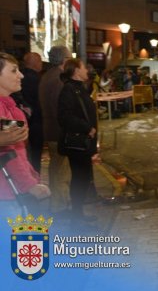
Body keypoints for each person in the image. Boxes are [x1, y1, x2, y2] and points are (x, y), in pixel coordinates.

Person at [0, 52, 50, 217]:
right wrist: (29, 184)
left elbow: (17, 149)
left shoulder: (11, 108)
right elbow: (10, 154)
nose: (20, 75)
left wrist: (32, 176)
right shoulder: (4, 110)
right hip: (8, 193)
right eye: (14, 71)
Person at [57, 59, 99, 223]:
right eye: (83, 67)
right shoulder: (69, 89)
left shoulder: (78, 88)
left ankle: (79, 214)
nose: (86, 70)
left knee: (82, 178)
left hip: (84, 143)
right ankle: (77, 218)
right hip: (77, 144)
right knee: (79, 179)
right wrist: (86, 128)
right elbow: (64, 117)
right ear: (76, 71)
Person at [39, 45, 72, 215]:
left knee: (56, 169)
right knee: (61, 171)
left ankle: (59, 203)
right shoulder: (58, 80)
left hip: (51, 130)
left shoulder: (47, 76)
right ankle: (60, 206)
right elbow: (61, 109)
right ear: (64, 60)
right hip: (59, 132)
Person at [19, 52, 44, 173]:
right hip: (35, 123)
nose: (41, 64)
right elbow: (38, 103)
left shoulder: (24, 76)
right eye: (39, 61)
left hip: (27, 122)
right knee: (35, 157)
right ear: (34, 63)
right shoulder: (34, 79)